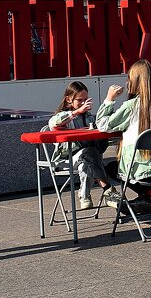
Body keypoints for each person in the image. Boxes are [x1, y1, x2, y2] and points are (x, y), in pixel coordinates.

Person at [95, 59, 151, 216]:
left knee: (111, 168)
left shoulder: (132, 106)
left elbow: (103, 125)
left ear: (135, 81)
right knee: (124, 168)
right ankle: (149, 197)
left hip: (143, 171)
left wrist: (109, 99)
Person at [48, 82, 122, 210]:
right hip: (66, 159)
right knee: (88, 153)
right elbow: (54, 123)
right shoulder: (64, 115)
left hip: (87, 157)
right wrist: (76, 112)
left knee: (87, 160)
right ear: (68, 99)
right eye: (79, 100)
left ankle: (84, 195)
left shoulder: (89, 118)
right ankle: (108, 189)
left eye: (85, 100)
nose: (83, 103)